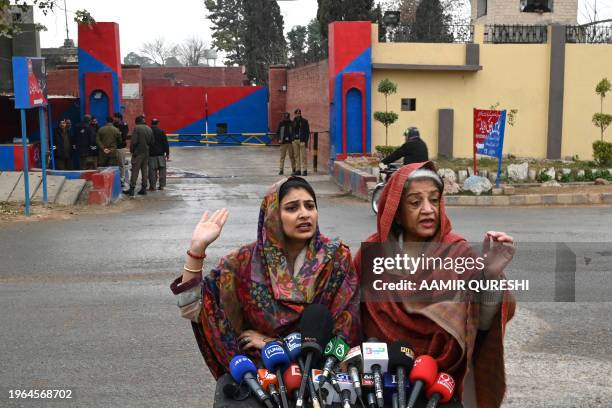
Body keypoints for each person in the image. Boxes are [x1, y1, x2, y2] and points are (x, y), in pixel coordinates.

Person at [354, 162, 515, 407]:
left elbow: (481, 325)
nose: (428, 210)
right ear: (396, 211)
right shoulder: (371, 255)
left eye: (434, 200)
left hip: (440, 386)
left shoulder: (458, 253)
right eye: (415, 202)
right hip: (380, 385)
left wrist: (490, 277)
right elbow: (351, 319)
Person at [170, 177, 361, 379]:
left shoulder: (336, 258)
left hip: (320, 376)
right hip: (263, 377)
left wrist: (274, 344)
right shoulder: (243, 262)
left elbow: (346, 328)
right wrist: (196, 249)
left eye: (310, 206)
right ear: (273, 216)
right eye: (292, 208)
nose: (304, 214)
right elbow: (196, 308)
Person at [123, 116, 153, 197]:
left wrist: (132, 150)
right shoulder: (149, 128)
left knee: (135, 171)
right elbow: (152, 142)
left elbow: (134, 141)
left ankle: (132, 189)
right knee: (144, 170)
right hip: (146, 152)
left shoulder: (137, 128)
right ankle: (144, 188)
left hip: (138, 153)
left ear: (137, 122)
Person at [148, 118, 169, 191]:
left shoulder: (148, 132)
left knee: (152, 171)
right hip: (160, 154)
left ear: (151, 123)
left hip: (151, 155)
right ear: (158, 123)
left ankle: (152, 186)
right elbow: (165, 143)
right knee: (162, 170)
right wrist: (167, 153)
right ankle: (161, 186)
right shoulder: (161, 131)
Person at [113, 112, 129, 188]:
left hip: (121, 147)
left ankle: (122, 179)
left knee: (121, 164)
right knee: (115, 164)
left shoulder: (124, 125)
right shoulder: (113, 125)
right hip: (114, 147)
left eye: (115, 117)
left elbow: (124, 136)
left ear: (119, 118)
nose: (114, 119)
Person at [292, 108, 310, 176]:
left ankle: (304, 170)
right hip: (295, 141)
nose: (298, 114)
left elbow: (307, 132)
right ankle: (298, 170)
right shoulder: (293, 122)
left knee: (303, 156)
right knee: (296, 156)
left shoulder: (305, 121)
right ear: (295, 114)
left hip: (302, 140)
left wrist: (305, 141)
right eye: (297, 113)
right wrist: (292, 139)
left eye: (299, 113)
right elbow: (292, 131)